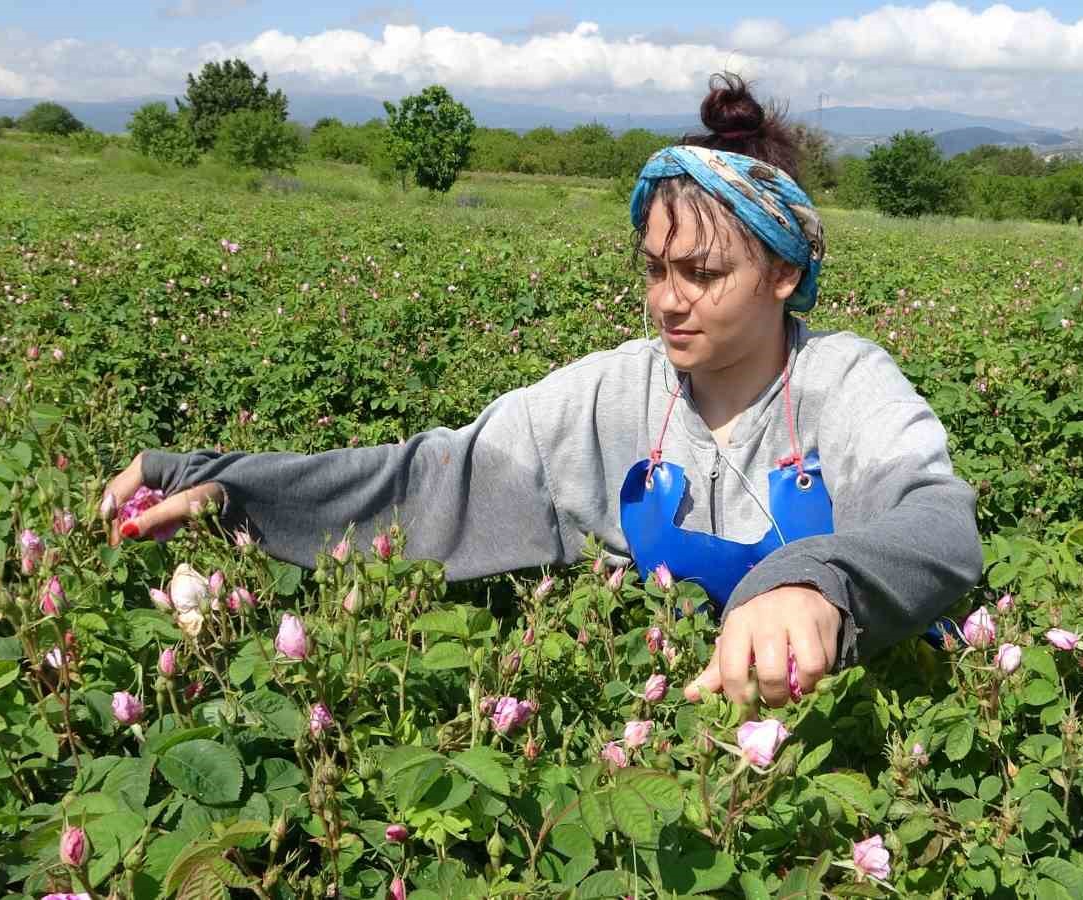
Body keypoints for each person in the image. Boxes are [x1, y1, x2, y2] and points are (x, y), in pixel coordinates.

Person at [101, 73, 982, 709]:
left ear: (784, 271)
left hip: (850, 734)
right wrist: (227, 485)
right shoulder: (616, 394)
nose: (668, 298)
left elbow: (938, 524)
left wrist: (815, 583)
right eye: (655, 269)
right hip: (670, 738)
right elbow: (434, 476)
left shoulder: (844, 379)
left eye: (703, 272)